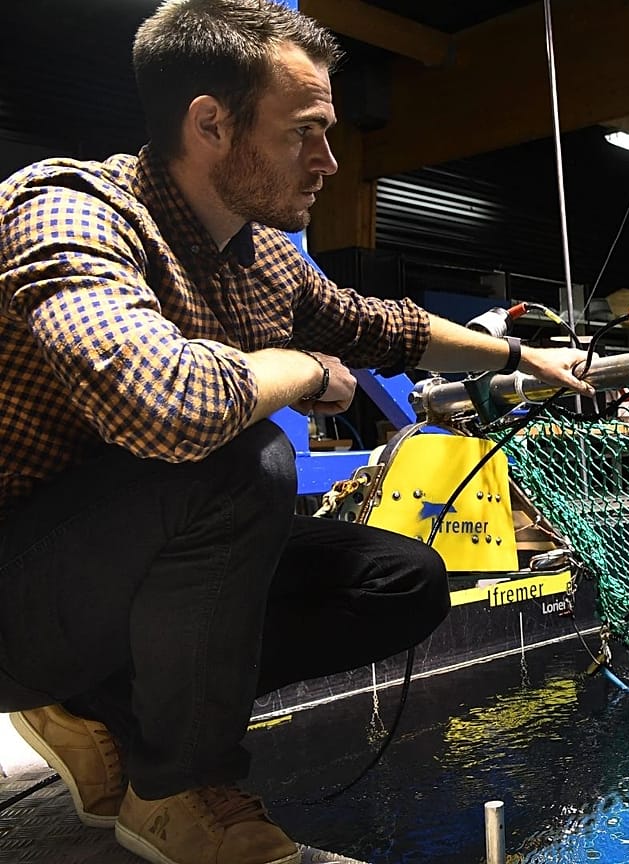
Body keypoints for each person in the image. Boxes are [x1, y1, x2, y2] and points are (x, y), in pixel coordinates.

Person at [0, 1, 595, 862]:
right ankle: (174, 790)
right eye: (305, 133)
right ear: (211, 123)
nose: (329, 159)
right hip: (19, 586)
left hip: (119, 570)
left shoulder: (261, 254)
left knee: (401, 579)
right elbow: (164, 402)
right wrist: (307, 370)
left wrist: (518, 352)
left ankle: (107, 711)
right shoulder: (68, 209)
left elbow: (381, 324)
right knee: (245, 460)